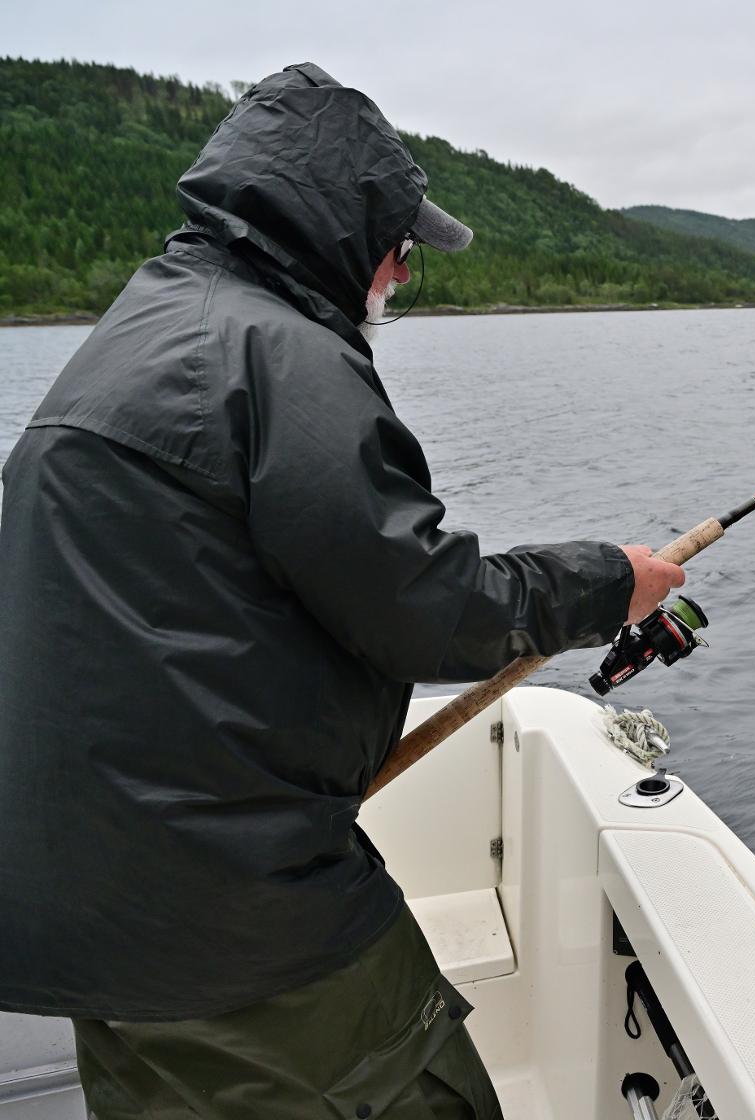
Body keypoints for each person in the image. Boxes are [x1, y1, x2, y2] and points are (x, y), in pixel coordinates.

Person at [0, 63, 684, 1119]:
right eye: (401, 243)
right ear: (338, 224)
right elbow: (422, 605)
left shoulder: (135, 333)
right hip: (226, 916)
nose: (406, 271)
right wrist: (612, 581)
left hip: (92, 913)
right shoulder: (275, 353)